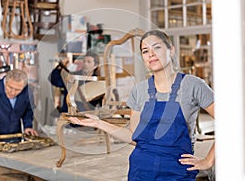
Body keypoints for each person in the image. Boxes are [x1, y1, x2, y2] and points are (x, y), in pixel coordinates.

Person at [69, 29, 215, 180]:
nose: (151, 54)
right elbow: (134, 137)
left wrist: (208, 161)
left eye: (156, 47)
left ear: (171, 50)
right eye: (145, 51)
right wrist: (98, 123)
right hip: (141, 170)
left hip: (177, 171)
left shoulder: (193, 85)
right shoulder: (139, 90)